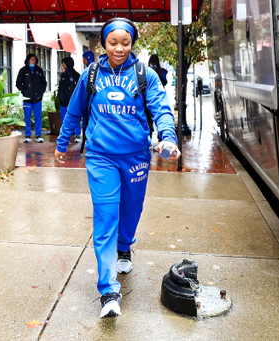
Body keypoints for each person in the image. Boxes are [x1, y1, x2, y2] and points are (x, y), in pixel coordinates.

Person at [54, 17, 181, 319]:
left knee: (131, 211)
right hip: (100, 158)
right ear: (103, 43)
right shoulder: (91, 74)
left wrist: (168, 138)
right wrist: (61, 144)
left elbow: (161, 109)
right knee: (106, 214)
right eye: (113, 42)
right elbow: (73, 112)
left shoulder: (144, 74)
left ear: (132, 43)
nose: (119, 48)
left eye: (125, 43)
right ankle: (108, 290)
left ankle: (125, 246)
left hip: (136, 157)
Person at [16, 54, 47, 143]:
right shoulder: (23, 71)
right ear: (28, 60)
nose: (34, 61)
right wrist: (24, 92)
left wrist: (41, 93)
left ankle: (38, 135)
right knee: (27, 117)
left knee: (38, 117)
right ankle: (28, 135)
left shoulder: (39, 70)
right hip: (27, 99)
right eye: (32, 59)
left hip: (37, 99)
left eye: (35, 59)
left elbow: (44, 83)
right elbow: (18, 83)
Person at [58, 57, 82, 143]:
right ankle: (65, 135)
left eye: (63, 63)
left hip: (73, 102)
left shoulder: (76, 75)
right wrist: (59, 96)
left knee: (75, 117)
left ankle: (77, 134)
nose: (62, 65)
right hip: (63, 101)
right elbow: (60, 87)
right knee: (64, 119)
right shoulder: (63, 75)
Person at [148, 54, 168, 150]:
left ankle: (151, 141)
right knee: (157, 120)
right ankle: (160, 142)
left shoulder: (149, 71)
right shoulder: (160, 71)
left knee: (149, 121)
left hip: (147, 100)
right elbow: (164, 83)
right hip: (158, 99)